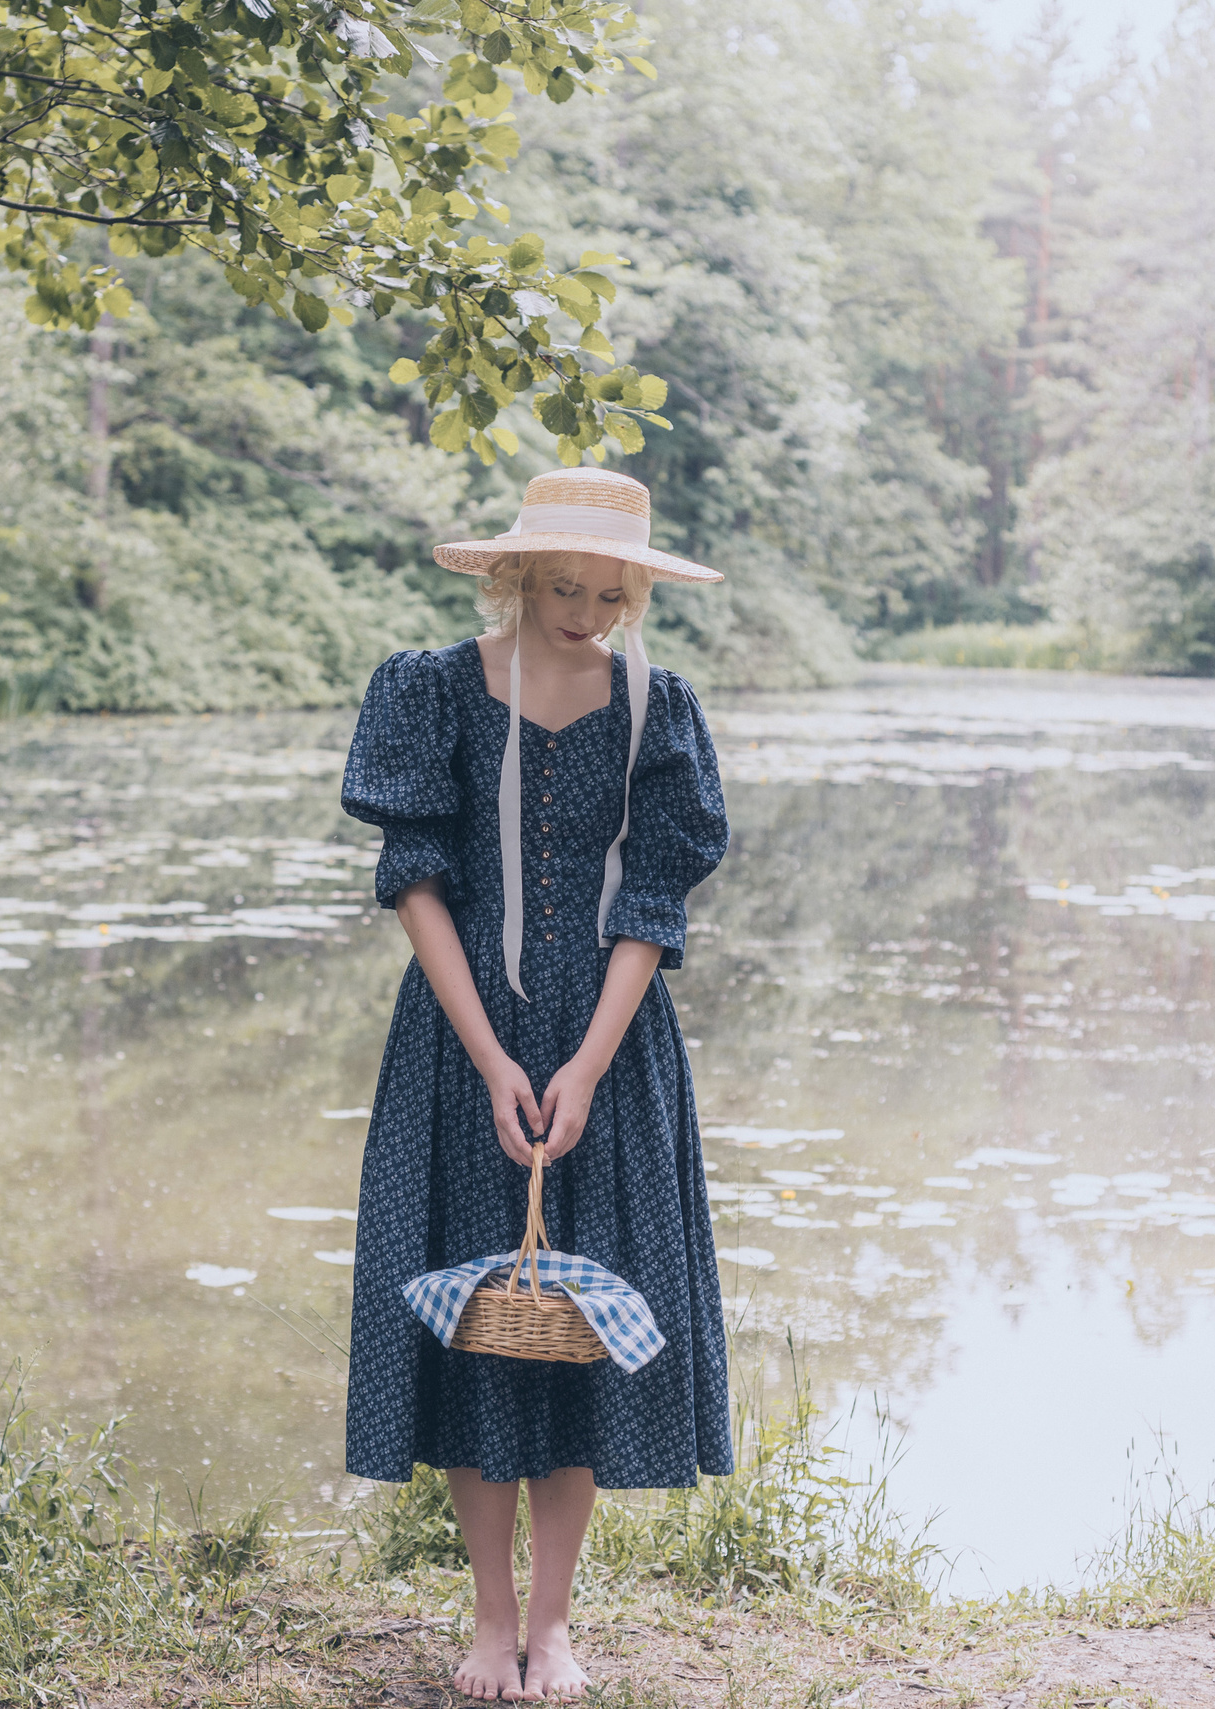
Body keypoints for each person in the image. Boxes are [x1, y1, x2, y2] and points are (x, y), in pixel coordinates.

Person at [340, 467, 733, 1701]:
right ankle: (487, 1616)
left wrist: (585, 1063)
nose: (586, 611)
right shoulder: (429, 689)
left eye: (611, 592)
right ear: (515, 576)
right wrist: (495, 1054)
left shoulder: (655, 708)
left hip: (610, 1051)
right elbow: (419, 881)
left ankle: (555, 1625)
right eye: (565, 586)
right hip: (462, 1044)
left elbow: (651, 907)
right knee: (480, 1323)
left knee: (578, 1334)